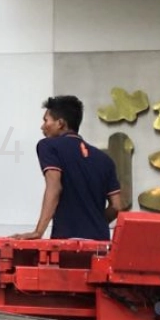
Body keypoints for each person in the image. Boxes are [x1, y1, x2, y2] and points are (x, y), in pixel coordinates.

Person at [16, 95, 124, 242]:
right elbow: (117, 206)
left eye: (46, 120)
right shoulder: (105, 160)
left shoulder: (48, 146)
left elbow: (54, 187)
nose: (42, 126)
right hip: (100, 245)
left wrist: (38, 231)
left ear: (60, 123)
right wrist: (94, 224)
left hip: (67, 243)